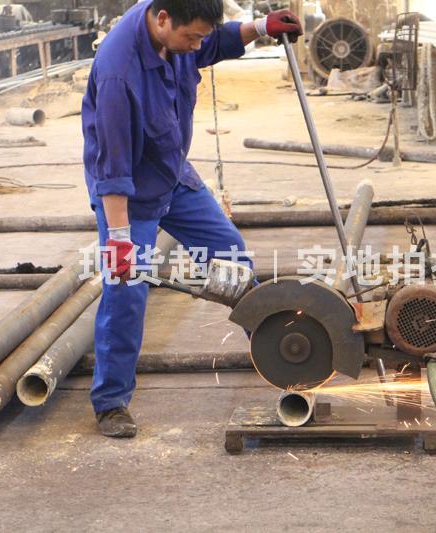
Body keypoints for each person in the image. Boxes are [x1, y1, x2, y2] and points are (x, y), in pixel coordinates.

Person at [82, 0, 302, 438]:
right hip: (129, 193)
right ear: (163, 20)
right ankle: (111, 402)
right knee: (126, 291)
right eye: (192, 37)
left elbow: (213, 42)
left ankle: (286, 354)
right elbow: (113, 169)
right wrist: (120, 240)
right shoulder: (118, 73)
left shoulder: (178, 35)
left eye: (201, 36)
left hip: (173, 174)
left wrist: (261, 26)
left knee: (230, 255)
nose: (197, 45)